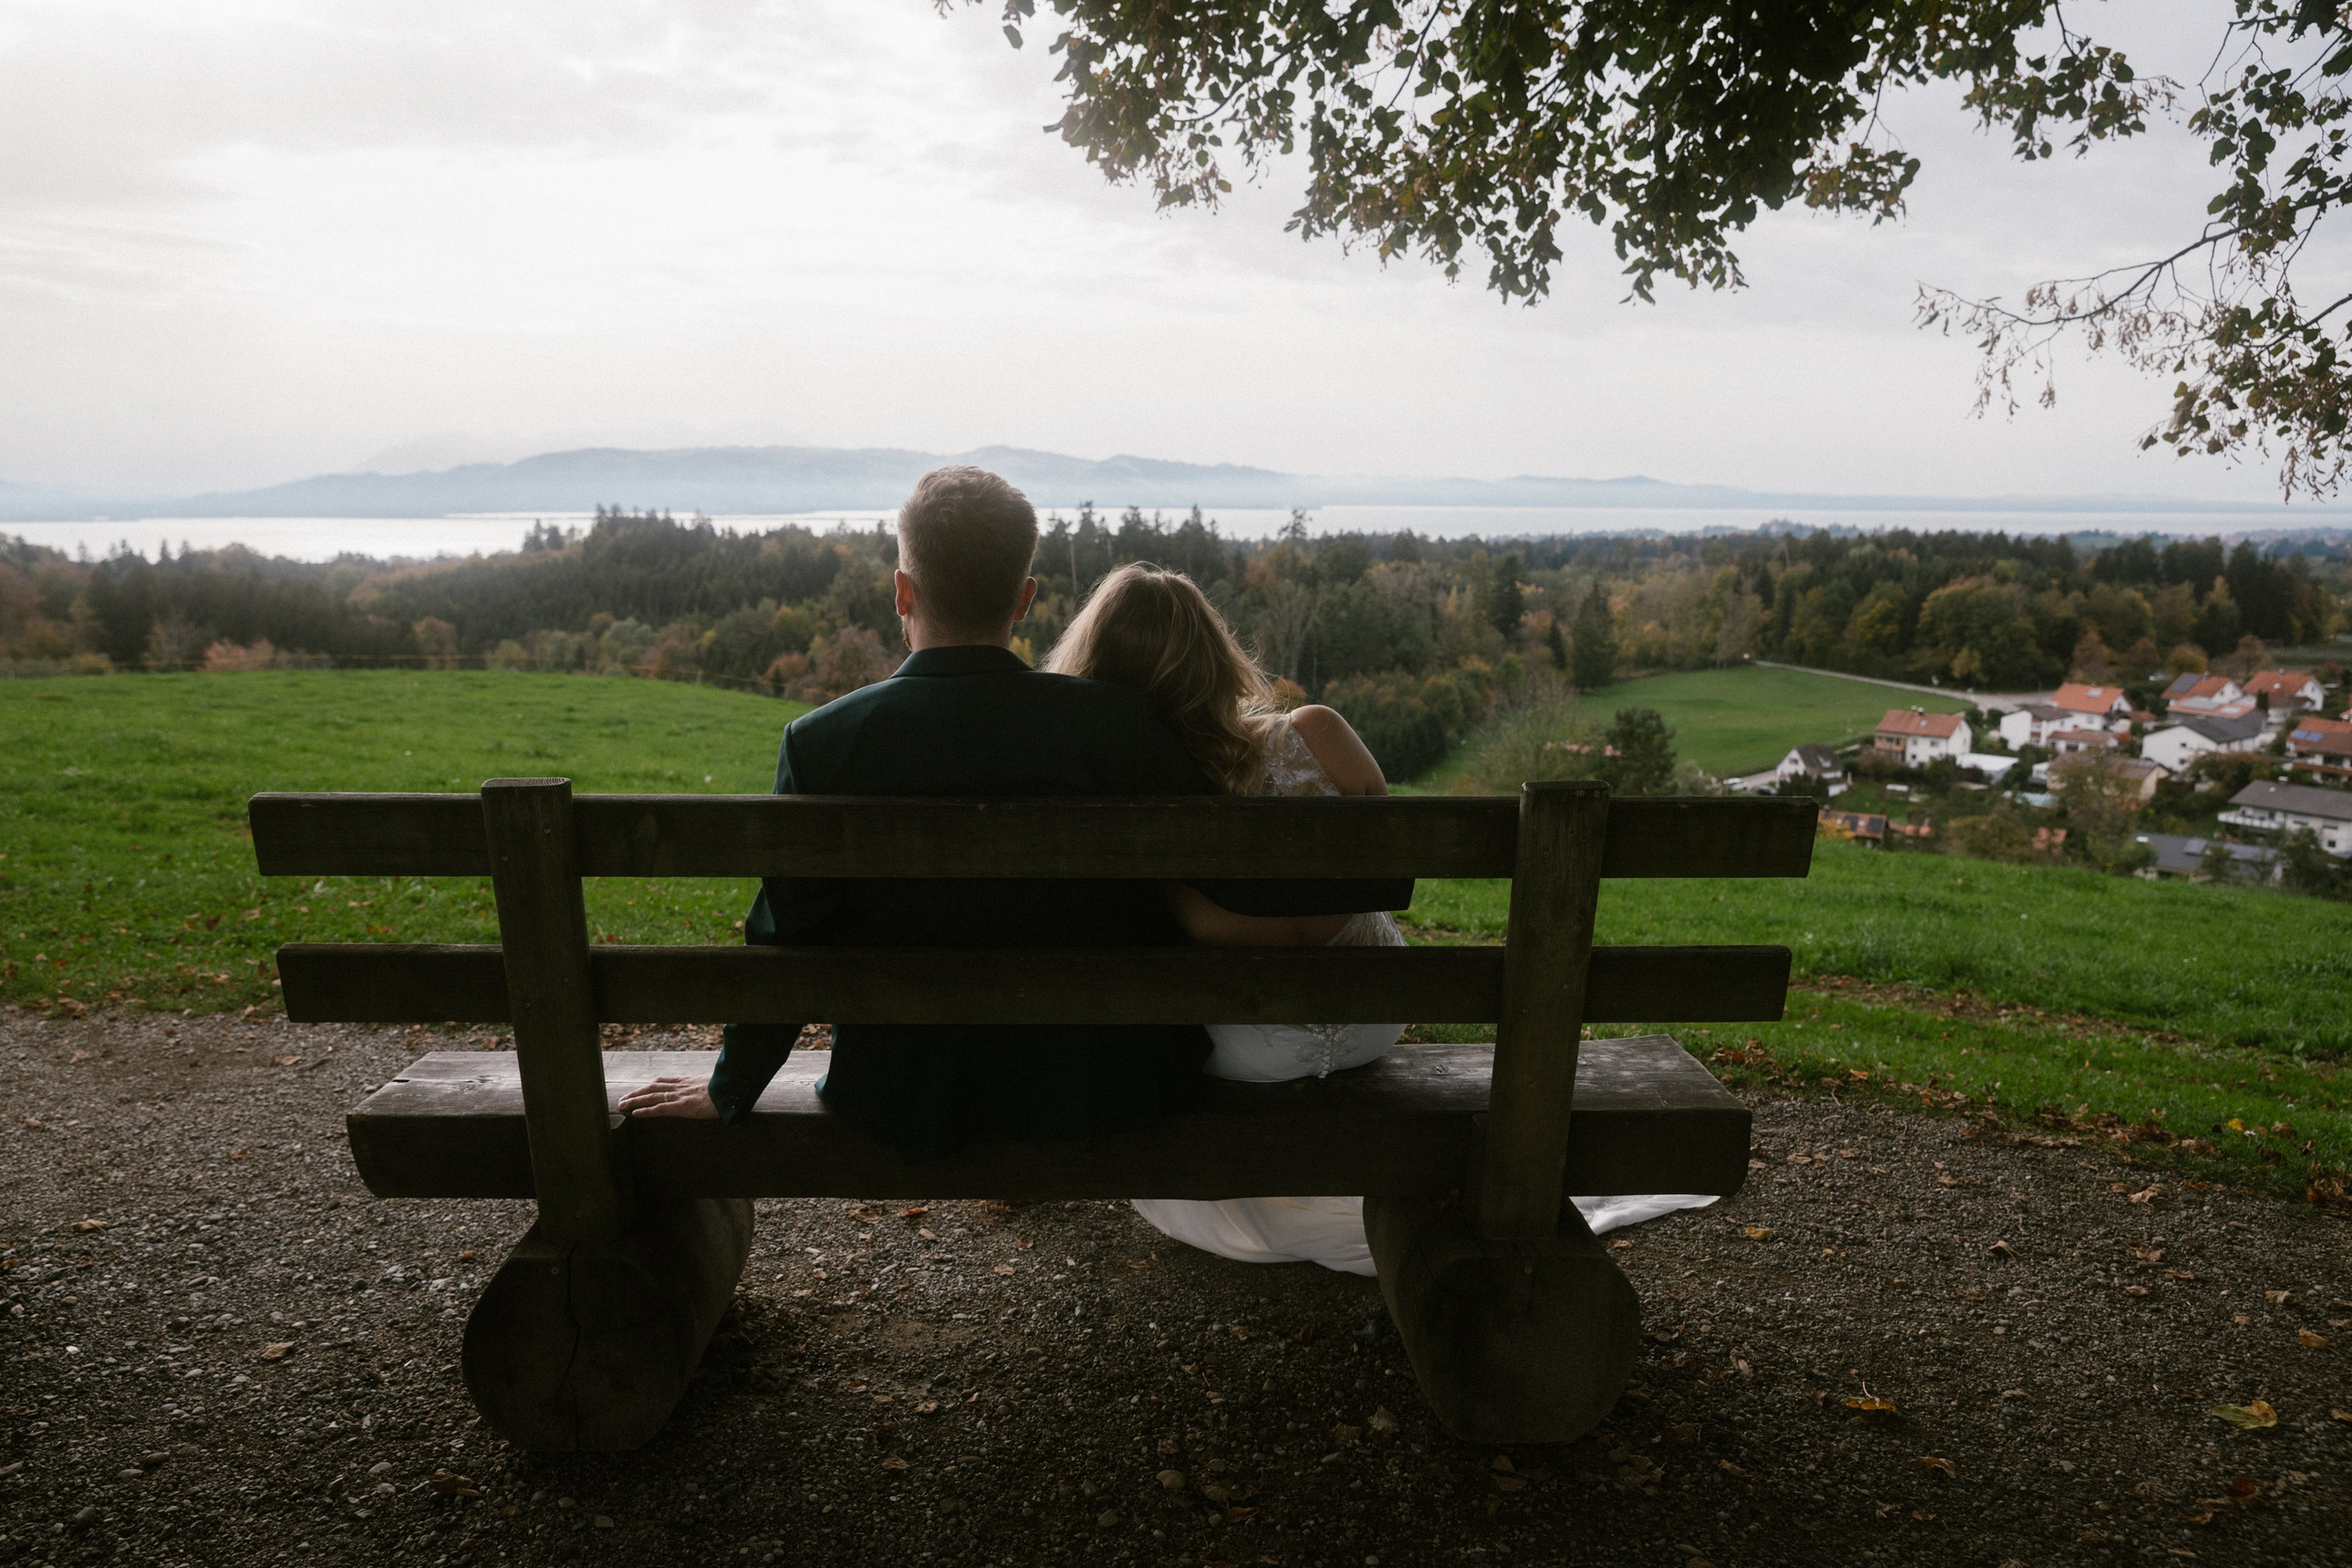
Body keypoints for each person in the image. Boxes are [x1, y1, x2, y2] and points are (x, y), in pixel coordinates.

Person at [616, 468, 1408, 1162]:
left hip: (905, 1096)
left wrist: (730, 1088)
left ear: (902, 590)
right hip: (1095, 1084)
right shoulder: (1115, 726)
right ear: (1025, 599)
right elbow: (1223, 874)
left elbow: (787, 938)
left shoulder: (823, 743)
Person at [1048, 564, 1715, 1275]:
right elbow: (1382, 859)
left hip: (1245, 1045)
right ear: (1217, 654)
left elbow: (1202, 927)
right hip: (1373, 1018)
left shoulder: (1129, 791)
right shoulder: (1317, 734)